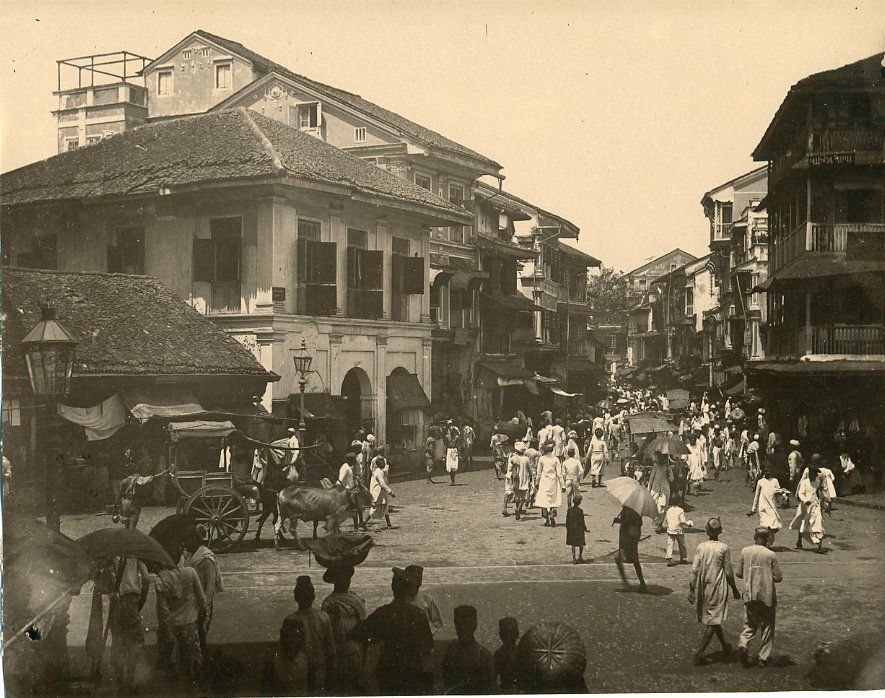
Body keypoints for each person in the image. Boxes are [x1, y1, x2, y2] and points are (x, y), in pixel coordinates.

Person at [351, 567, 434, 695]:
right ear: (408, 590)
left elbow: (357, 634)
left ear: (393, 588)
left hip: (389, 671)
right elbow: (427, 647)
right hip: (413, 671)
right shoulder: (419, 614)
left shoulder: (383, 612)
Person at [688, 518, 740, 665]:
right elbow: (728, 572)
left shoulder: (701, 547)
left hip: (704, 587)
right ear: (720, 531)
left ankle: (724, 647)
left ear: (706, 530)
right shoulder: (724, 548)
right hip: (718, 587)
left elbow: (694, 570)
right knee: (713, 620)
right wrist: (735, 589)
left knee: (714, 619)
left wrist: (691, 590)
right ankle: (699, 654)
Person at [735, 527, 783, 668]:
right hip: (766, 596)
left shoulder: (745, 551)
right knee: (768, 626)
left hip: (750, 594)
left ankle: (744, 644)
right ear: (767, 539)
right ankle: (763, 658)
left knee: (750, 624)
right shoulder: (771, 555)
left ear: (754, 537)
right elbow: (778, 577)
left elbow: (738, 573)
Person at [154, 564, 209, 684]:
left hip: (172, 625)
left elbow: (162, 611)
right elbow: (202, 600)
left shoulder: (161, 579)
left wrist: (165, 630)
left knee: (173, 661)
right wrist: (202, 617)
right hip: (189, 623)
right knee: (192, 658)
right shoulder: (190, 572)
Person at [320, 565, 366, 693]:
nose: (345, 581)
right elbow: (326, 630)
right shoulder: (328, 602)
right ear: (335, 580)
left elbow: (363, 624)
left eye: (347, 578)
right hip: (337, 650)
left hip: (355, 648)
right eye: (341, 578)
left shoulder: (356, 599)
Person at [287, 576, 336, 692]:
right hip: (320, 674)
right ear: (313, 596)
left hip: (298, 676)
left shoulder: (290, 620)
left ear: (295, 597)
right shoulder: (324, 618)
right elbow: (331, 652)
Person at [109, 557, 150, 693]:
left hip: (117, 601)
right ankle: (129, 681)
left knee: (118, 640)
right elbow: (146, 578)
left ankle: (120, 682)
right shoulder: (135, 552)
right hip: (132, 599)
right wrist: (141, 599)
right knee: (135, 641)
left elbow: (107, 581)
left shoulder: (113, 553)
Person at [183, 530, 224, 659]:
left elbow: (210, 589)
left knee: (200, 638)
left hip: (202, 605)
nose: (185, 545)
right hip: (192, 604)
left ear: (194, 541)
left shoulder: (206, 560)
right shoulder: (191, 555)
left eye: (187, 541)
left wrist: (204, 608)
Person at [442, 605, 495, 695]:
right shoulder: (451, 649)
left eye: (466, 625)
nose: (461, 629)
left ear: (474, 625)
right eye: (458, 625)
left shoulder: (484, 657)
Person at [261, 617, 310, 695]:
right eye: (288, 636)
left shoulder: (308, 661)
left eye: (296, 637)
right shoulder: (271, 663)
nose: (292, 640)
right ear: (282, 637)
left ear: (301, 638)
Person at [790, 459, 827, 553]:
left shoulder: (817, 482)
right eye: (810, 473)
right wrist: (805, 500)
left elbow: (818, 493)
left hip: (815, 505)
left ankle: (820, 546)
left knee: (817, 523)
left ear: (816, 474)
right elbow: (801, 493)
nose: (811, 475)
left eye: (813, 474)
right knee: (803, 523)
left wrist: (823, 501)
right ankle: (799, 541)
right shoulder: (804, 482)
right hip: (805, 506)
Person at [613, 505, 647, 593]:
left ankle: (627, 584)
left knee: (620, 558)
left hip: (627, 536)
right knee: (634, 560)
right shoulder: (637, 508)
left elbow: (628, 521)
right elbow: (638, 522)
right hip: (631, 535)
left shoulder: (628, 508)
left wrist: (619, 520)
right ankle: (642, 584)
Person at [748, 467, 784, 547]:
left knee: (774, 526)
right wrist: (753, 509)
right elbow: (756, 495)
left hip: (772, 507)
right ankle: (765, 544)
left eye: (769, 471)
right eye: (766, 470)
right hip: (763, 508)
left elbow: (778, 492)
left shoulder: (775, 481)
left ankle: (767, 542)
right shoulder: (761, 482)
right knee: (765, 526)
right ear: (763, 471)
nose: (768, 472)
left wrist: (782, 494)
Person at [405, 564, 444, 636]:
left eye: (419, 578)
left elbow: (437, 622)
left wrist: (426, 632)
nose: (416, 581)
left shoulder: (427, 599)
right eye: (413, 578)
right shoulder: (401, 599)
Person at [534, 442, 563, 526]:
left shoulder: (542, 459)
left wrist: (537, 482)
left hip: (544, 482)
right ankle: (552, 514)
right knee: (553, 499)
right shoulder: (556, 459)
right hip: (553, 482)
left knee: (544, 500)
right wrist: (563, 484)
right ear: (552, 450)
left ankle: (546, 519)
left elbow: (539, 473)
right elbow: (559, 473)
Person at [664, 497, 693, 567]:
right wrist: (688, 524)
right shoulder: (680, 510)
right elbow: (682, 521)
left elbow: (666, 520)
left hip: (670, 529)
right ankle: (683, 558)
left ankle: (669, 559)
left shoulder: (669, 510)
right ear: (678, 502)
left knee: (670, 544)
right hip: (678, 529)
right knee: (682, 544)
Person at [493, 617, 520, 693]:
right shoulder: (498, 655)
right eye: (505, 634)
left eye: (511, 633)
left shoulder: (523, 653)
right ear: (500, 635)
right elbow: (492, 680)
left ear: (517, 634)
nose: (508, 638)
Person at [504, 442, 530, 520]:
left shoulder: (513, 458)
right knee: (524, 497)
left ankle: (517, 510)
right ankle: (518, 508)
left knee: (517, 495)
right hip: (524, 478)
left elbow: (509, 469)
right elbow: (529, 469)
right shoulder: (526, 459)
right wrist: (532, 477)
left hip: (515, 479)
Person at [647, 452, 672, 531]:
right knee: (656, 507)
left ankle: (659, 524)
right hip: (655, 490)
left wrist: (668, 474)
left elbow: (672, 479)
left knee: (663, 507)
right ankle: (657, 523)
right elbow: (651, 479)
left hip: (665, 490)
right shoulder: (655, 468)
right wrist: (648, 489)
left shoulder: (668, 468)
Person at [369, 456, 395, 529]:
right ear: (378, 464)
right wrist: (390, 492)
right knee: (375, 509)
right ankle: (373, 525)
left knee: (385, 506)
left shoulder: (381, 471)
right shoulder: (378, 472)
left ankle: (389, 524)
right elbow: (382, 484)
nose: (384, 464)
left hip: (382, 492)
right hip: (377, 492)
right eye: (382, 462)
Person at [566, 494, 588, 563]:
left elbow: (567, 520)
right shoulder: (580, 511)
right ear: (579, 502)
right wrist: (585, 528)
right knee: (581, 543)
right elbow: (582, 521)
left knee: (573, 544)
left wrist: (568, 528)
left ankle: (574, 558)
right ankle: (580, 557)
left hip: (571, 529)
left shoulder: (569, 510)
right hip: (579, 529)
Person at [444, 421, 461, 485]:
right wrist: (445, 454)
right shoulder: (447, 437)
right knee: (450, 466)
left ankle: (453, 481)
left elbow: (458, 446)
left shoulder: (457, 437)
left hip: (454, 450)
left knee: (454, 466)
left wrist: (459, 454)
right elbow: (446, 445)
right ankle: (452, 480)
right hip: (449, 450)